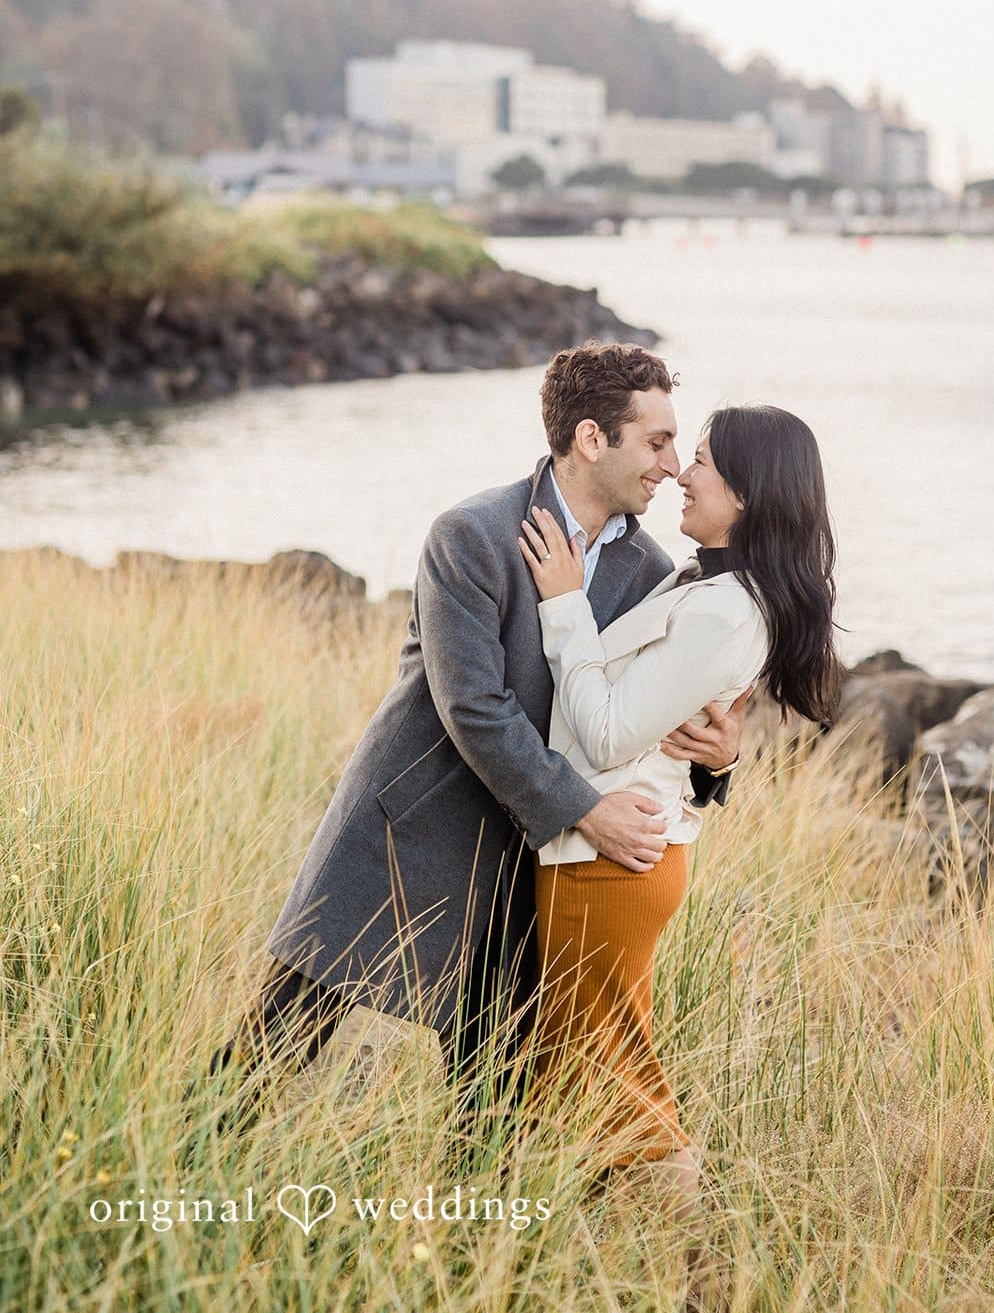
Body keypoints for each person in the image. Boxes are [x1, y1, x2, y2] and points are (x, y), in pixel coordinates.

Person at [201, 343, 749, 1134]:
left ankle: (467, 1251)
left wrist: (716, 765)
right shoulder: (472, 534)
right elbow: (475, 709)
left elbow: (651, 709)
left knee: (490, 1104)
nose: (669, 465)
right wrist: (586, 810)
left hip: (526, 861)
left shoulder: (652, 570)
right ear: (592, 439)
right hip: (411, 830)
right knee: (273, 1046)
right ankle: (180, 1182)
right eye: (656, 442)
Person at [517, 404, 843, 1309]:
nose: (680, 475)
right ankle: (583, 1271)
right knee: (574, 1074)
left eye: (698, 461)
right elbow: (667, 728)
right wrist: (718, 762)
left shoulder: (727, 613)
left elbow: (611, 729)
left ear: (748, 493)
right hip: (610, 854)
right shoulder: (702, 584)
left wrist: (560, 605)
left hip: (604, 859)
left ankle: (704, 1280)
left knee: (615, 1080)